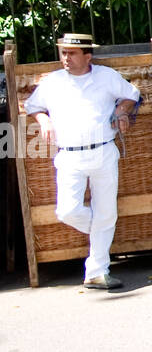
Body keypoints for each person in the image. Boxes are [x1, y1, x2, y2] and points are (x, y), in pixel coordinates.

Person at [22, 32, 141, 291]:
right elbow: (32, 106)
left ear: (88, 56)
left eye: (72, 53)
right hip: (69, 154)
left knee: (106, 211)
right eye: (63, 52)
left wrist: (121, 111)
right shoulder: (52, 82)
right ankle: (101, 233)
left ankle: (97, 273)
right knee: (67, 211)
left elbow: (132, 94)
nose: (66, 58)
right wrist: (45, 120)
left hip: (104, 150)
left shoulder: (106, 77)